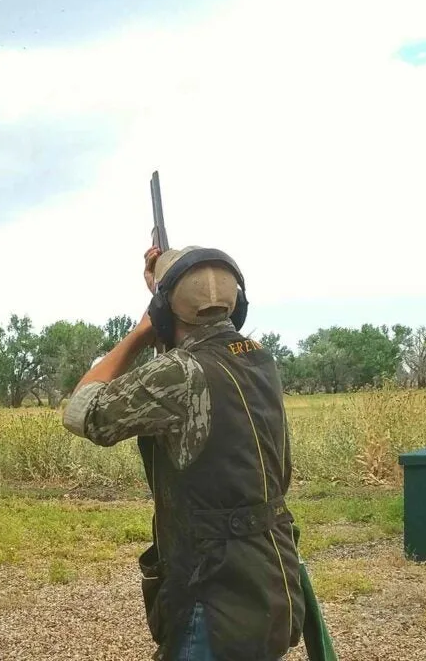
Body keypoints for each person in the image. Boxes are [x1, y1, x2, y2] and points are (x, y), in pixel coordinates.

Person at [62, 245, 305, 661]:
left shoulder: (180, 372)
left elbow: (82, 411)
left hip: (210, 594)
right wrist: (160, 293)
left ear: (163, 311)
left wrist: (141, 332)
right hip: (271, 578)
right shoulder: (260, 359)